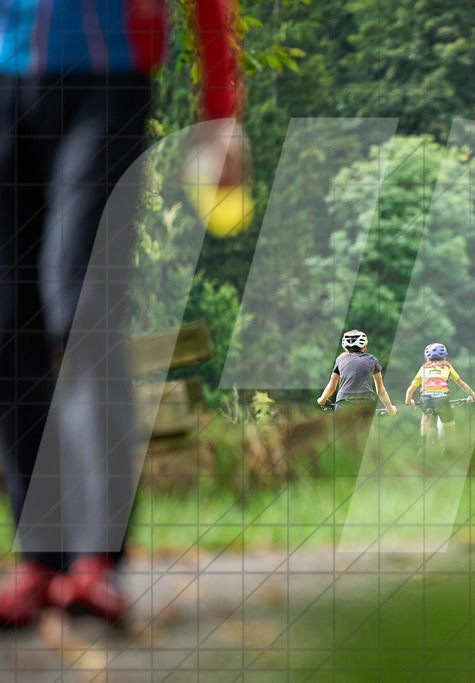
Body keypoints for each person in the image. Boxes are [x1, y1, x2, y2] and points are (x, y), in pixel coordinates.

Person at [0, 0, 243, 626]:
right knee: (7, 324)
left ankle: (93, 562)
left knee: (80, 309)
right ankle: (40, 558)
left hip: (106, 75)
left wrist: (220, 113)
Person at [317, 330, 398, 455]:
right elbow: (381, 390)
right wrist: (390, 409)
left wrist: (322, 400)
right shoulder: (372, 360)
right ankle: (371, 456)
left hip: (344, 401)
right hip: (366, 401)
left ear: (345, 347)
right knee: (368, 428)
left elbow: (331, 387)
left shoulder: (340, 361)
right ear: (364, 347)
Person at [404, 343, 475, 454]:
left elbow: (410, 389)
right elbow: (461, 384)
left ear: (427, 358)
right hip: (442, 399)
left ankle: (423, 444)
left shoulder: (423, 368)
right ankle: (451, 448)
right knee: (450, 428)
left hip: (425, 399)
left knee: (426, 416)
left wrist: (408, 401)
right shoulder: (447, 367)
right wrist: (473, 396)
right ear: (445, 357)